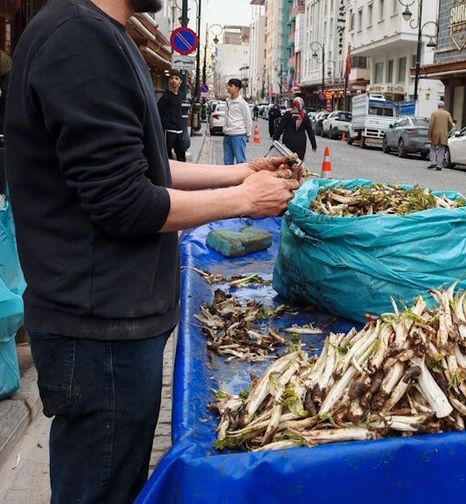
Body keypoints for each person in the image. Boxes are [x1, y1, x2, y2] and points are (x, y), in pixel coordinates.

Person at [4, 1, 301, 502]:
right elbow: (123, 201)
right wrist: (244, 200)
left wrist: (239, 173)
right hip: (99, 337)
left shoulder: (99, 33)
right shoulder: (80, 38)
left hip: (106, 330)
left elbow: (143, 165)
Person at [157, 71, 186, 161]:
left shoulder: (181, 96)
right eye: (172, 78)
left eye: (176, 79)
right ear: (169, 81)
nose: (174, 80)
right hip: (168, 130)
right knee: (167, 156)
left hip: (179, 130)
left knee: (181, 155)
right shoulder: (165, 97)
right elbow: (158, 111)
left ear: (180, 82)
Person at [223, 78, 253, 165]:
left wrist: (248, 134)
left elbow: (248, 119)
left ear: (237, 88)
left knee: (240, 161)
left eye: (230, 86)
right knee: (227, 162)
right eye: (228, 85)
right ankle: (228, 179)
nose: (228, 87)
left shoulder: (242, 103)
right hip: (227, 135)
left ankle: (240, 179)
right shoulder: (228, 101)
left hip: (238, 136)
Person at [427, 100, 454, 170]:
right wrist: (448, 130)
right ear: (443, 106)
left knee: (432, 148)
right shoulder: (447, 114)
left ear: (438, 106)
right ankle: (439, 165)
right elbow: (451, 124)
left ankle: (433, 162)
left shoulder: (434, 113)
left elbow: (431, 125)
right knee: (441, 149)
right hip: (443, 134)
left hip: (434, 133)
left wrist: (429, 134)